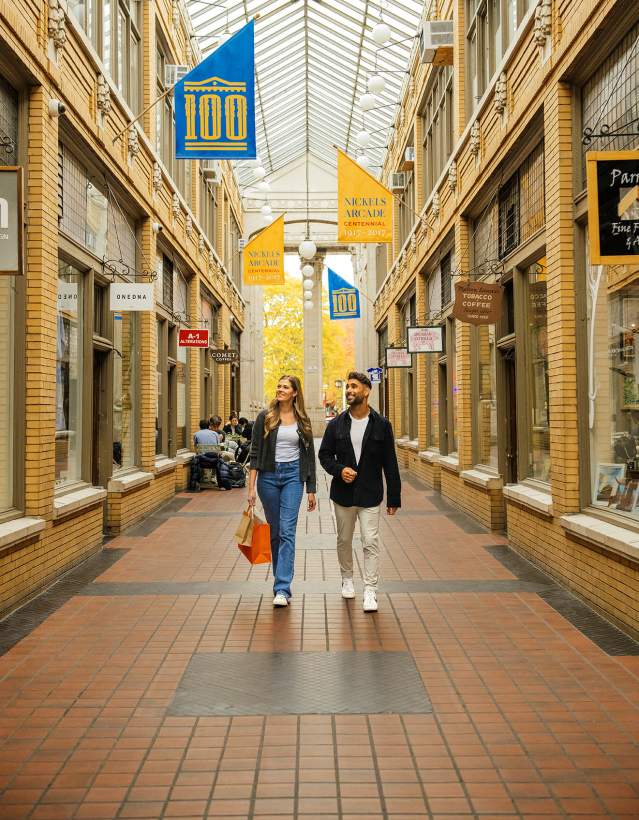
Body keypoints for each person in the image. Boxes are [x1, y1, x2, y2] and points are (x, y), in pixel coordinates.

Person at [318, 371, 401, 613]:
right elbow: (324, 455)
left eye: (354, 386)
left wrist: (393, 496)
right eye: (347, 387)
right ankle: (346, 579)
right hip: (343, 495)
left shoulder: (382, 425)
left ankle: (370, 590)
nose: (349, 391)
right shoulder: (336, 424)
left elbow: (390, 462)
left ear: (366, 391)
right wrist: (339, 469)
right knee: (344, 540)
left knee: (370, 541)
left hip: (370, 493)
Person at [248, 375, 317, 607]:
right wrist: (251, 489)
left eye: (285, 387)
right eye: (278, 386)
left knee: (287, 531)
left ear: (295, 393)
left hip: (293, 477)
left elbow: (309, 456)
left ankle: (282, 588)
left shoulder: (302, 419)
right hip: (268, 478)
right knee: (275, 532)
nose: (280, 389)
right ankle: (281, 580)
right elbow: (255, 453)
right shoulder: (265, 417)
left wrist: (311, 488)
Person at [190, 420, 221, 491]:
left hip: (202, 460)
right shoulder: (215, 434)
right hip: (214, 460)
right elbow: (218, 448)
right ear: (209, 426)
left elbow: (196, 448)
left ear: (199, 426)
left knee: (197, 458)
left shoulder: (196, 434)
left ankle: (197, 483)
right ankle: (220, 483)